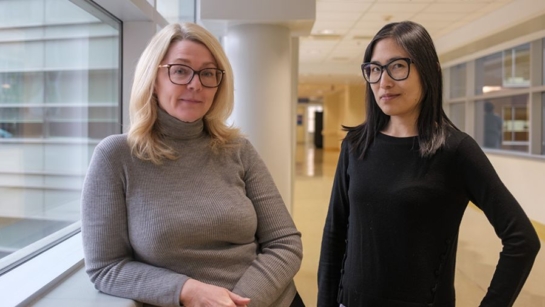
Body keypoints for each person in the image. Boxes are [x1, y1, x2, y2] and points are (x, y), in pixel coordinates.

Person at [317, 21, 540, 307]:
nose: (383, 81)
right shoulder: (355, 145)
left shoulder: (455, 150)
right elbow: (335, 234)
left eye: (397, 66)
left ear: (429, 69)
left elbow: (522, 239)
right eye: (374, 69)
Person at [81, 22, 304, 307]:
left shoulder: (239, 150)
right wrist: (188, 290)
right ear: (153, 78)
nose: (195, 84)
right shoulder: (116, 156)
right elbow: (106, 267)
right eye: (180, 70)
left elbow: (285, 242)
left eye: (208, 73)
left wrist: (241, 302)